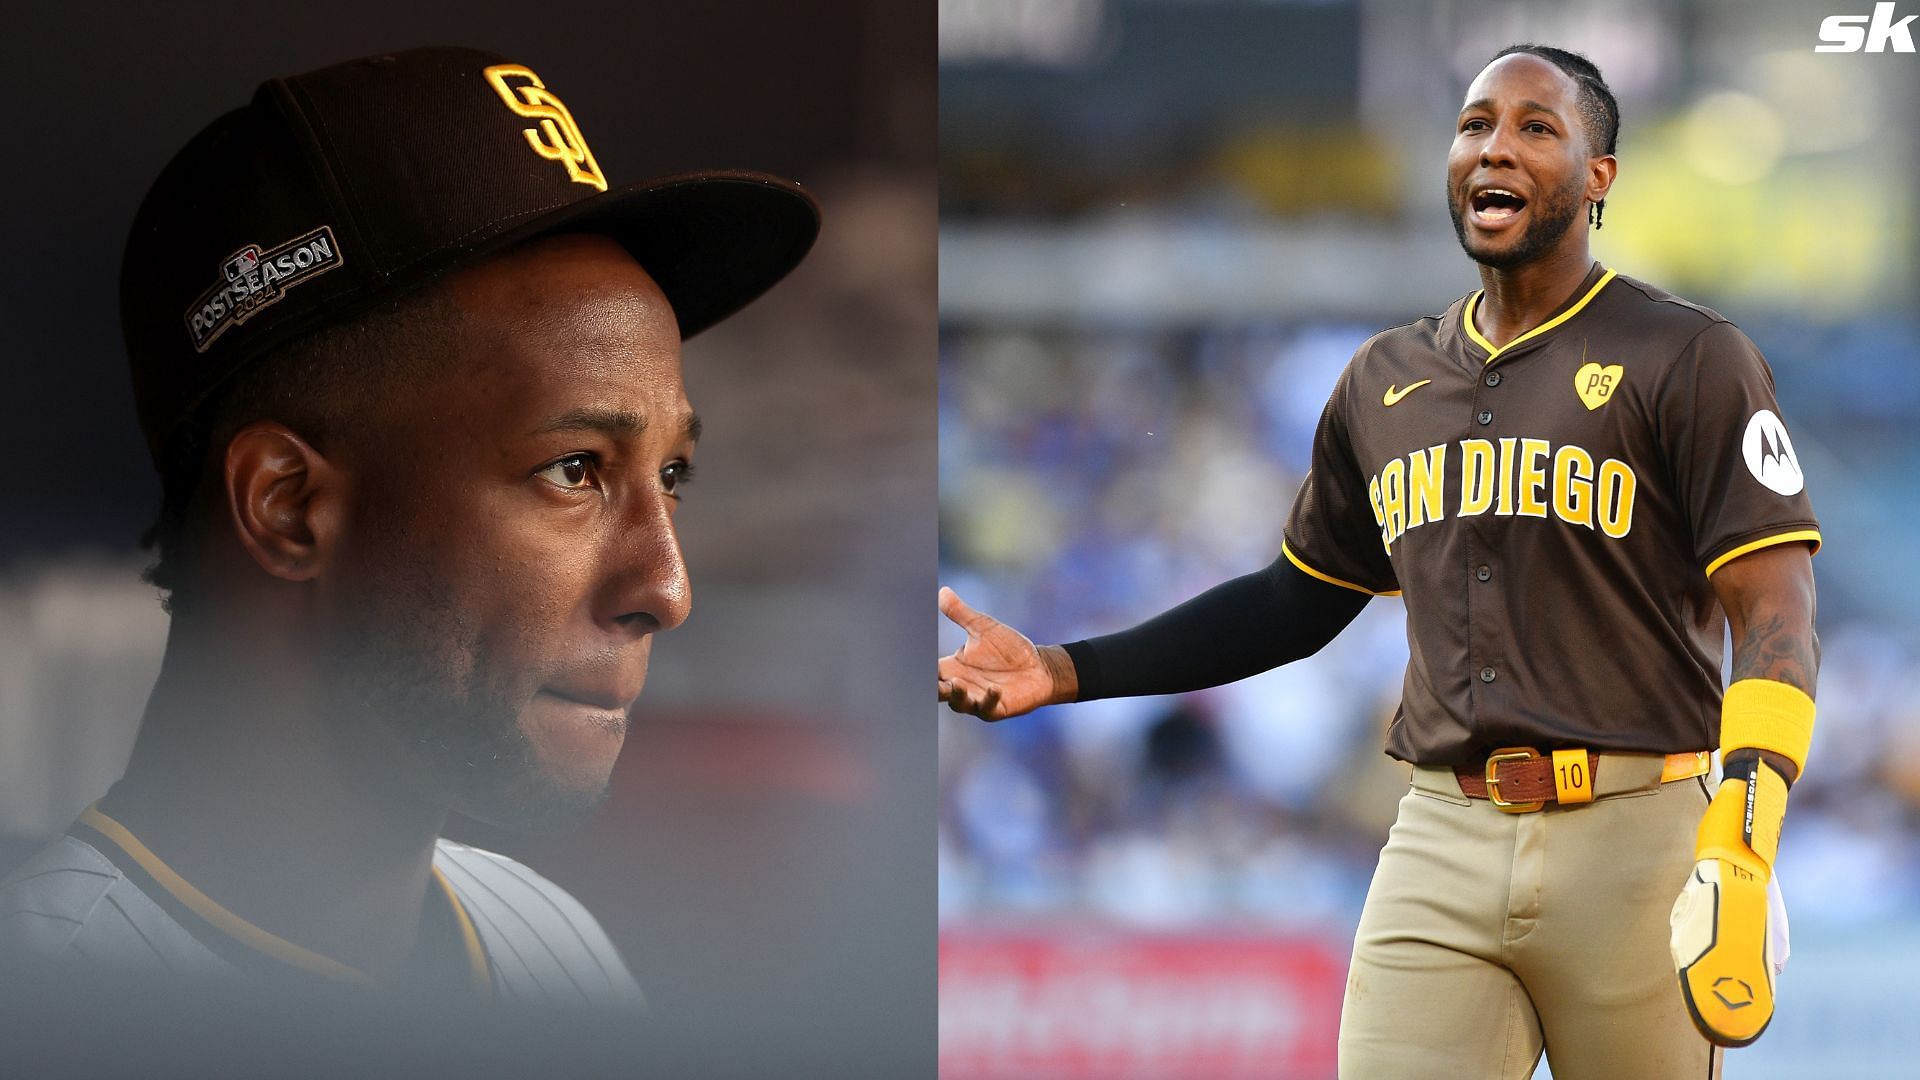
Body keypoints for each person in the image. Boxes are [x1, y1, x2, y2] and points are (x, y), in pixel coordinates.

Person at [938, 44, 1816, 1079]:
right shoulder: (1384, 379)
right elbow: (1294, 603)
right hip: (1441, 833)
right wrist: (1068, 668)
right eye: (1475, 123)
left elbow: (1775, 612)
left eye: (1538, 127)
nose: (1496, 145)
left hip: (1639, 832)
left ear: (1598, 177)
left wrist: (1745, 830)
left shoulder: (1690, 356)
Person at [0, 46, 818, 1004]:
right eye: (575, 469)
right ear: (288, 506)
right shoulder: (51, 1009)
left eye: (671, 475)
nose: (666, 590)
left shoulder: (563, 962)